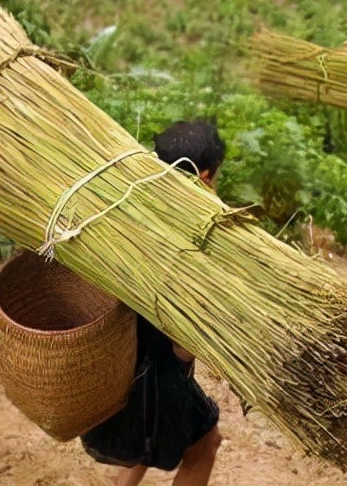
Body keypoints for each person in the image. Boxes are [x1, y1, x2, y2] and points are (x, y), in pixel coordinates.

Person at [80, 121, 225, 486]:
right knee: (205, 444)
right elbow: (185, 338)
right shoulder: (196, 234)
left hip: (118, 369)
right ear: (204, 176)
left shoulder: (130, 210)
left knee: (143, 442)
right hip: (154, 376)